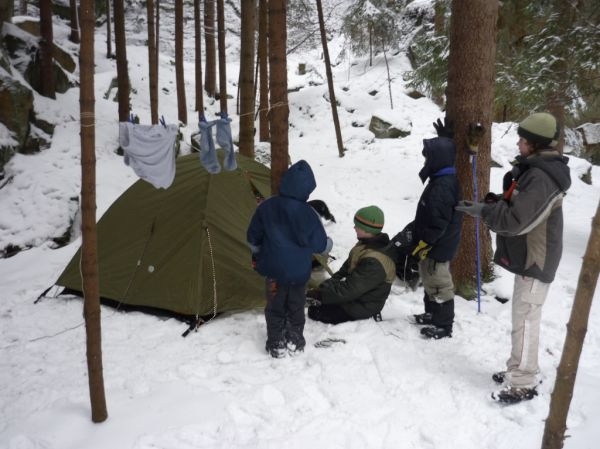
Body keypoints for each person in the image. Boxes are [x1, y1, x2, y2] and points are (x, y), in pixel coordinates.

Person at [456, 112, 571, 404]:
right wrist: (490, 203)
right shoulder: (534, 170)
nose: (518, 143)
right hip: (530, 256)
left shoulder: (542, 177)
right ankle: (517, 368)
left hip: (537, 260)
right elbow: (517, 206)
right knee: (522, 317)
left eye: (522, 139)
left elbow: (518, 221)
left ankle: (524, 380)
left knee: (527, 320)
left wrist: (484, 212)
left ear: (535, 144)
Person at [247, 160, 332, 358]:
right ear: (307, 189)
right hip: (299, 272)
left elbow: (252, 237)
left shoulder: (267, 207)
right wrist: (329, 244)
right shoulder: (308, 213)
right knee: (296, 306)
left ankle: (276, 343)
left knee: (275, 306)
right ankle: (295, 340)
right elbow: (320, 245)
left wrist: (258, 252)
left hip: (273, 271)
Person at [410, 118, 463, 340]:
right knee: (430, 279)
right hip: (434, 244)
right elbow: (446, 152)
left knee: (439, 282)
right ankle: (432, 314)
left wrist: (425, 242)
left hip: (438, 245)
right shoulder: (444, 176)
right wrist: (445, 138)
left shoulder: (443, 186)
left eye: (428, 157)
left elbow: (438, 221)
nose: (426, 161)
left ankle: (444, 324)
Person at [306, 205, 396, 324]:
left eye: (358, 226)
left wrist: (321, 295)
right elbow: (343, 272)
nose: (354, 227)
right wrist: (324, 287)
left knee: (315, 311)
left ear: (368, 229)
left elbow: (350, 290)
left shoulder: (375, 262)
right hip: (354, 295)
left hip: (364, 304)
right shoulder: (364, 245)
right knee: (319, 302)